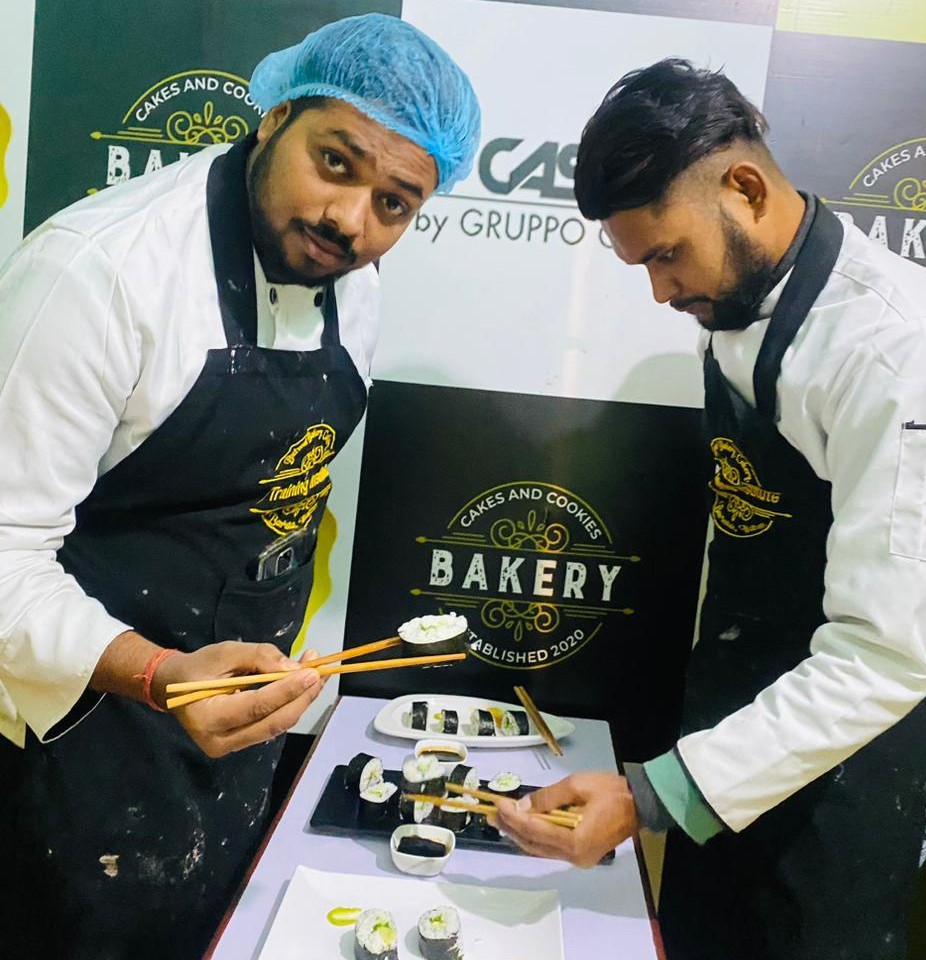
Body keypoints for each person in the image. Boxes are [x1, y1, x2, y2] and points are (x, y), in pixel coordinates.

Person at [0, 13, 479, 959]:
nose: (350, 220)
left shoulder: (353, 282)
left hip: (236, 729)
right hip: (81, 733)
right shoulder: (101, 272)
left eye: (394, 203)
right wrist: (158, 674)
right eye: (335, 162)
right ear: (272, 117)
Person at [494, 59, 926, 960]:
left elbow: (881, 659)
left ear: (744, 188)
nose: (661, 292)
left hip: (848, 762)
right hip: (727, 727)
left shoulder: (897, 346)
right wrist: (683, 773)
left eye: (667, 254)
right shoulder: (734, 302)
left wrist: (651, 796)